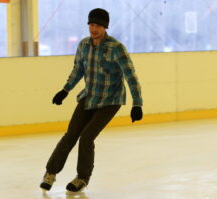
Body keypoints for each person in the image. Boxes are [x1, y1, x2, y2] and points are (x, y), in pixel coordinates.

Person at [40, 8, 143, 193]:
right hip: (89, 97)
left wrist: (137, 103)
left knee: (86, 138)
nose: (94, 28)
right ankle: (50, 173)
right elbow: (78, 70)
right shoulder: (84, 45)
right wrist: (65, 90)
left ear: (105, 27)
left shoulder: (116, 48)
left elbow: (131, 76)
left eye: (98, 25)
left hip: (110, 100)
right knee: (71, 135)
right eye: (91, 24)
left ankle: (82, 178)